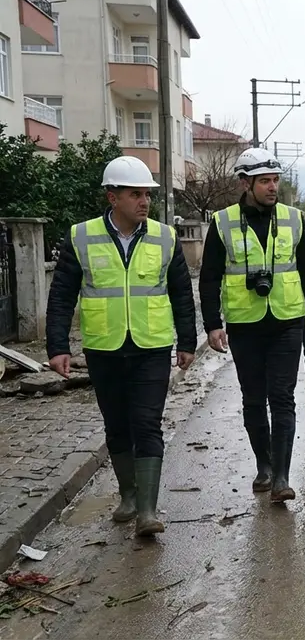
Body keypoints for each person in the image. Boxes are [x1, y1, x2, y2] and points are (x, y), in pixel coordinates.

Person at [45, 156, 196, 537]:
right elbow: (62, 294)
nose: (144, 201)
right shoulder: (81, 236)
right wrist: (57, 346)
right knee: (116, 426)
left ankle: (147, 510)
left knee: (147, 425)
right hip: (104, 347)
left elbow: (181, 293)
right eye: (135, 194)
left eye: (147, 194)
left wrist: (188, 341)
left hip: (152, 346)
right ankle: (128, 495)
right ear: (112, 197)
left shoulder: (165, 237)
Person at [199, 147, 305, 503]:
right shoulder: (222, 222)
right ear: (246, 183)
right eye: (264, 181)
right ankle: (264, 465)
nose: (272, 187)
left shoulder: (294, 219)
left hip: (287, 320)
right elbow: (209, 278)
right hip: (245, 324)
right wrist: (212, 324)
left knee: (282, 397)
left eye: (275, 180)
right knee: (253, 399)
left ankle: (282, 477)